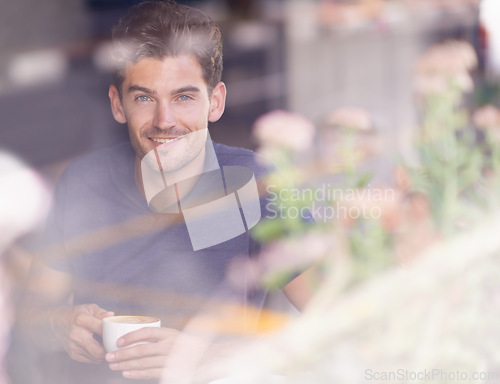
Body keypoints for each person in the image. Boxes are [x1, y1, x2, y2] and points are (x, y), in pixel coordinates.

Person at [19, 1, 311, 383]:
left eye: (183, 97)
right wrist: (59, 323)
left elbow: (346, 322)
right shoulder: (83, 182)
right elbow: (29, 315)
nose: (164, 120)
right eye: (144, 97)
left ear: (216, 102)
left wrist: (206, 355)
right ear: (117, 104)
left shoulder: (260, 184)